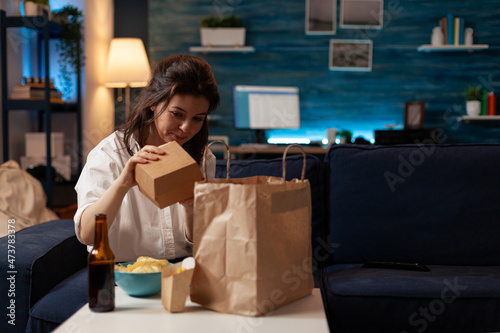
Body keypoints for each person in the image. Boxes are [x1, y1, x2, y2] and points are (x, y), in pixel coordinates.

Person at [74, 54, 220, 262]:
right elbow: (87, 235)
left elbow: (202, 243)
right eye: (177, 114)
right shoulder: (110, 155)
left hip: (183, 272)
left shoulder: (203, 158)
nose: (187, 128)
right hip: (125, 275)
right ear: (153, 102)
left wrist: (190, 207)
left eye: (197, 119)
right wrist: (122, 185)